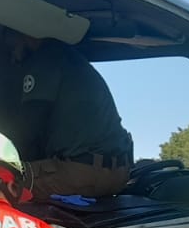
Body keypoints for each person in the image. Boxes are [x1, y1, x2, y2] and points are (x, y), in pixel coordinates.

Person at [9, 33, 134, 199]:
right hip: (118, 173)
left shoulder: (45, 56)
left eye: (12, 46)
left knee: (0, 185)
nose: (13, 56)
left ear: (24, 35)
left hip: (81, 173)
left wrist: (1, 157)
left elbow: (29, 127)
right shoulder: (73, 59)